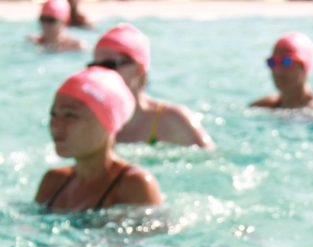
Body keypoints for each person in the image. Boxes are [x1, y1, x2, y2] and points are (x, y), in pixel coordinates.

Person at [34, 67, 162, 212]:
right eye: (53, 114)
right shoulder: (53, 183)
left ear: (108, 123)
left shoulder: (134, 185)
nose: (56, 125)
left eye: (70, 115)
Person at [92, 23, 213, 148]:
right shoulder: (89, 117)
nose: (99, 73)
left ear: (139, 69)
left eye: (109, 65)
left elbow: (209, 157)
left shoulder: (173, 120)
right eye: (93, 66)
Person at [250, 33, 313, 111]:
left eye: (286, 62)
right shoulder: (261, 107)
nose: (278, 71)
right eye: (272, 62)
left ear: (304, 67)